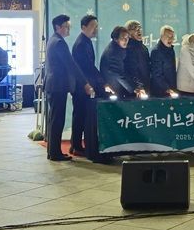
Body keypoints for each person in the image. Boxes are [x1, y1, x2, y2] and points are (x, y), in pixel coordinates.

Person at [44, 14, 90, 162]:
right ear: (58, 27)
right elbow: (71, 65)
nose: (69, 29)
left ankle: (53, 152)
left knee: (54, 120)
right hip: (58, 86)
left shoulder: (53, 40)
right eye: (66, 26)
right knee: (57, 120)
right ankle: (55, 153)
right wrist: (85, 83)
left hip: (54, 85)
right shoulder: (59, 43)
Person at [71, 15, 108, 157]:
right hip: (82, 86)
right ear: (83, 27)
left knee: (81, 115)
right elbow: (86, 67)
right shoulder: (81, 44)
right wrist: (101, 81)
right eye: (93, 26)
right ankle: (76, 146)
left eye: (97, 26)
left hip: (85, 85)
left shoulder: (86, 41)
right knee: (79, 116)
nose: (96, 29)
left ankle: (76, 144)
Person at [100, 26, 145, 99]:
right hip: (114, 89)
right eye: (123, 38)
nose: (126, 40)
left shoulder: (118, 48)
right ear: (116, 39)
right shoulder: (113, 53)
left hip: (117, 87)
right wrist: (133, 89)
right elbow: (118, 73)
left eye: (127, 38)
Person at [150, 25, 177, 97]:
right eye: (168, 36)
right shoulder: (156, 51)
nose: (171, 39)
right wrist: (167, 88)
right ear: (161, 36)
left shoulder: (171, 49)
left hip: (171, 90)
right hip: (160, 92)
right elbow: (156, 74)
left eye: (172, 37)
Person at [124, 20, 151, 93]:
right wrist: (138, 86)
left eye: (139, 28)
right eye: (134, 28)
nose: (138, 30)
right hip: (135, 90)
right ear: (128, 33)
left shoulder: (144, 48)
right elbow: (129, 72)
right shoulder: (127, 49)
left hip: (146, 88)